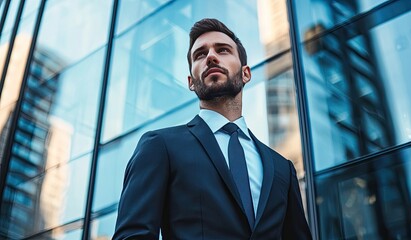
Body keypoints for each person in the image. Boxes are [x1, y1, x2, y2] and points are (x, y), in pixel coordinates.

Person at [113, 18, 312, 240]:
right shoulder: (160, 146)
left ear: (246, 73)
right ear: (191, 82)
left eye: (223, 50)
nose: (211, 57)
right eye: (200, 55)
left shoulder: (282, 168)